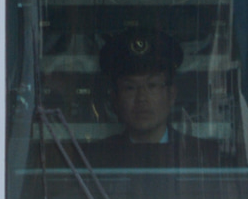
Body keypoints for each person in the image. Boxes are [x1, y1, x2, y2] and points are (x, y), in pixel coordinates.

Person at [90, 28, 216, 167]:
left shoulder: (202, 155)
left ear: (172, 94)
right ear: (115, 98)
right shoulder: (97, 158)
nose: (141, 98)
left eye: (152, 86)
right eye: (130, 88)